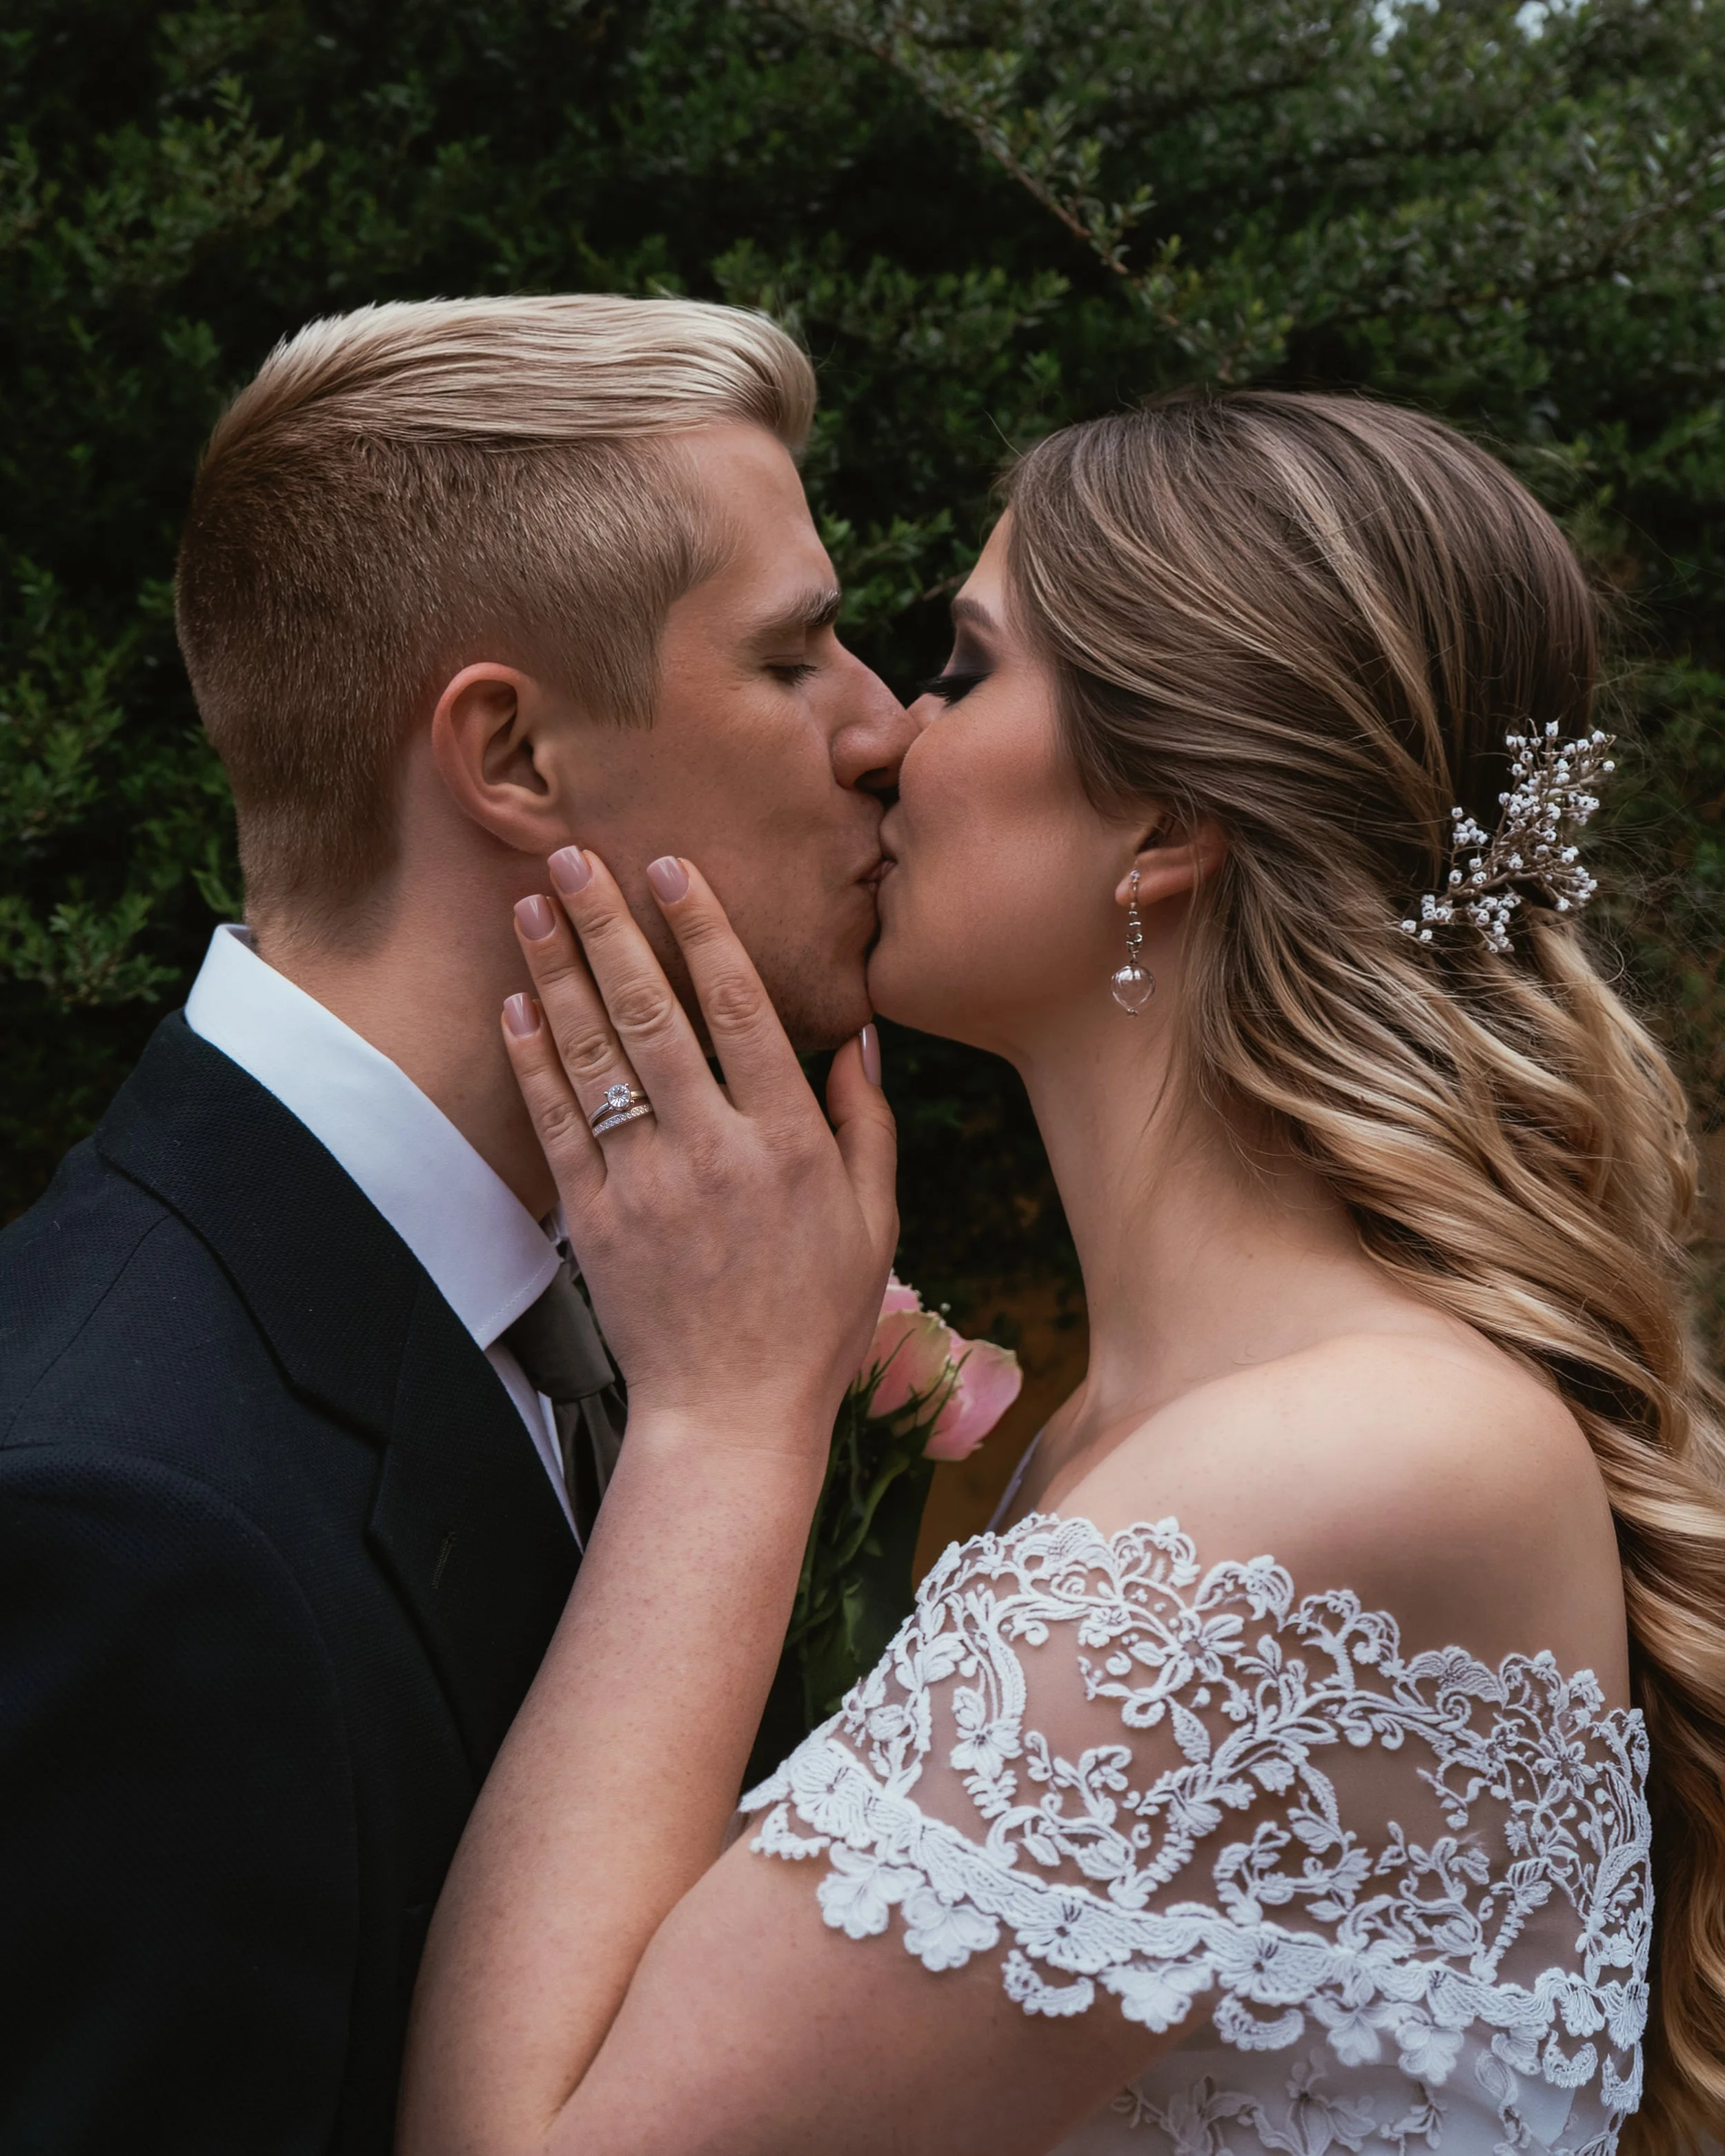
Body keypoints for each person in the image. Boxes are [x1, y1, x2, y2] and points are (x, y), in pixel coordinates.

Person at [400, 390, 1725, 2155]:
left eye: (962, 664)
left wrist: (727, 1413)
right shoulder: (1144, 1430)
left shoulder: (1331, 1466)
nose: (883, 734)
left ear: (1163, 822)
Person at [0, 294, 911, 2150]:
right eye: (797, 652)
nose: (885, 728)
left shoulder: (620, 1315)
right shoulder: (118, 1516)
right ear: (510, 757)